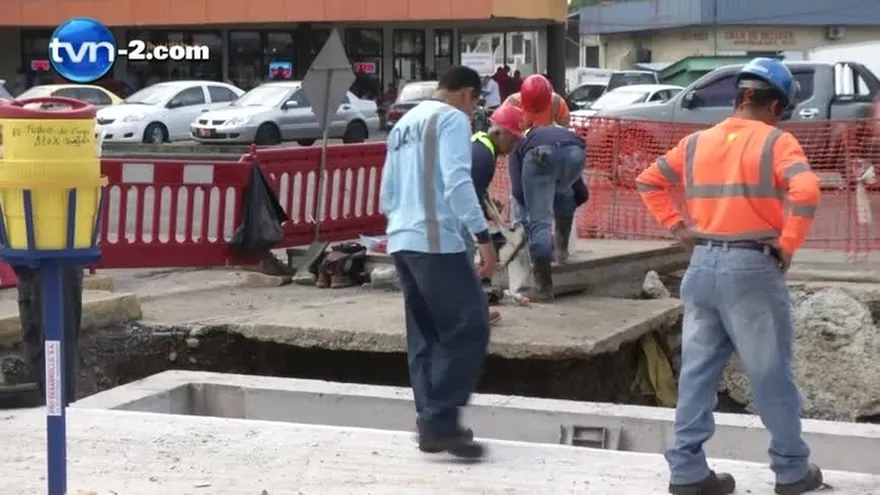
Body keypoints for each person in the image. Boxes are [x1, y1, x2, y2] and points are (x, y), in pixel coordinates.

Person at [635, 58, 823, 495]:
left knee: (697, 374)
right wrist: (789, 245)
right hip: (752, 267)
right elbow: (807, 189)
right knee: (770, 373)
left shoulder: (697, 143)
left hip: (702, 265)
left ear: (740, 96)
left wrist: (679, 228)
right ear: (776, 106)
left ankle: (686, 471)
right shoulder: (778, 143)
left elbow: (649, 181)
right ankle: (792, 471)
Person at [379, 65, 495, 460]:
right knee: (470, 326)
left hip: (402, 238)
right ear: (467, 94)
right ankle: (440, 420)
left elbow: (387, 190)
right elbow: (458, 181)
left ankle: (430, 420)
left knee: (425, 333)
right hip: (435, 240)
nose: (474, 109)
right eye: (476, 101)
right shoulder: (452, 121)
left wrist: (398, 229)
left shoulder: (402, 124)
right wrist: (483, 236)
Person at [507, 116, 586, 302]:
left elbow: (518, 190)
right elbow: (581, 191)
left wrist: (528, 217)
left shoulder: (520, 142)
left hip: (540, 156)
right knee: (564, 193)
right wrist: (574, 199)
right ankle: (561, 252)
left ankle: (544, 288)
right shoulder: (562, 133)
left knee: (540, 221)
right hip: (576, 151)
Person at [465, 104, 527, 322]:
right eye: (512, 140)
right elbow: (470, 199)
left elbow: (476, 191)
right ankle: (472, 314)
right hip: (452, 219)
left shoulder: (479, 142)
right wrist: (484, 237)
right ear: (499, 132)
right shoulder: (484, 158)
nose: (512, 148)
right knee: (466, 262)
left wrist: (491, 208)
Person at [14, 266, 84, 407]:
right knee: (34, 340)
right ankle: (43, 404)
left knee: (57, 342)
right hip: (27, 264)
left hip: (59, 263)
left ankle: (57, 409)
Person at [504, 73, 571, 128]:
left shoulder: (557, 103)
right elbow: (502, 129)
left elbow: (565, 127)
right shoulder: (512, 102)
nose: (535, 111)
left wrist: (553, 130)